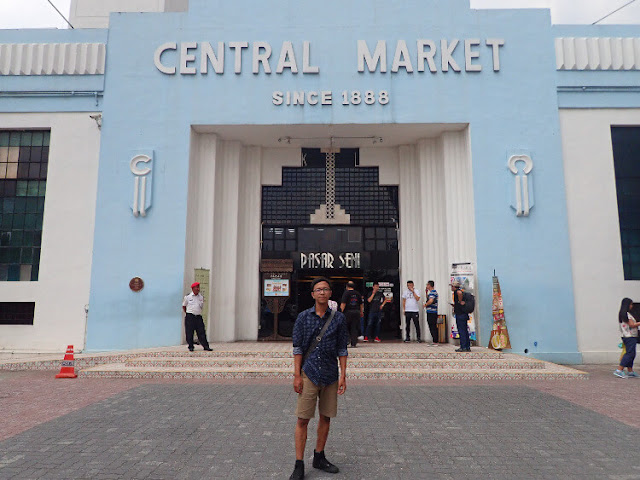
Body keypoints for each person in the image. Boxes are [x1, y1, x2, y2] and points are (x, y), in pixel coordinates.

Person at [290, 277, 348, 480]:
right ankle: (299, 463)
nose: (322, 292)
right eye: (318, 289)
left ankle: (319, 456)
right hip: (309, 373)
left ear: (331, 293)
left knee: (326, 416)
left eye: (326, 289)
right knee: (302, 418)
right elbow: (297, 348)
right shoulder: (303, 318)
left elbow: (342, 348)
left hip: (331, 374)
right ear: (313, 294)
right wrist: (296, 375)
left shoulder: (338, 319)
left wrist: (343, 375)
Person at [182, 282, 212, 352]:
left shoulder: (201, 297)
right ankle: (191, 346)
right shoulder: (188, 297)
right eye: (196, 287)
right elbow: (184, 306)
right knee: (189, 332)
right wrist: (188, 313)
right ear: (193, 288)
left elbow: (201, 306)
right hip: (190, 316)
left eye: (198, 287)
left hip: (198, 316)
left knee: (201, 331)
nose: (198, 289)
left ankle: (206, 346)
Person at [615, 297, 640, 378]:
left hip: (629, 336)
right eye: (631, 304)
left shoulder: (623, 314)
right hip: (629, 337)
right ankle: (619, 370)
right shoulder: (626, 315)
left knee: (632, 354)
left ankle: (630, 371)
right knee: (629, 354)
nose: (631, 306)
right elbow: (632, 325)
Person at [340, 281, 363, 347]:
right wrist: (361, 312)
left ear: (347, 286)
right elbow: (361, 304)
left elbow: (343, 303)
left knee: (345, 327)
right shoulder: (357, 293)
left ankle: (346, 341)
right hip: (356, 311)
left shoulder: (346, 293)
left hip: (348, 312)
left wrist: (340, 312)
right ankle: (354, 343)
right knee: (354, 327)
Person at [451, 280, 470, 352]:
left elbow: (459, 294)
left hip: (460, 314)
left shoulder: (458, 292)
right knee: (465, 330)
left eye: (452, 286)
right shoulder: (461, 292)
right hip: (464, 313)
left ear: (454, 287)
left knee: (461, 330)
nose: (451, 288)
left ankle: (463, 346)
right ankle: (467, 346)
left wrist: (459, 301)